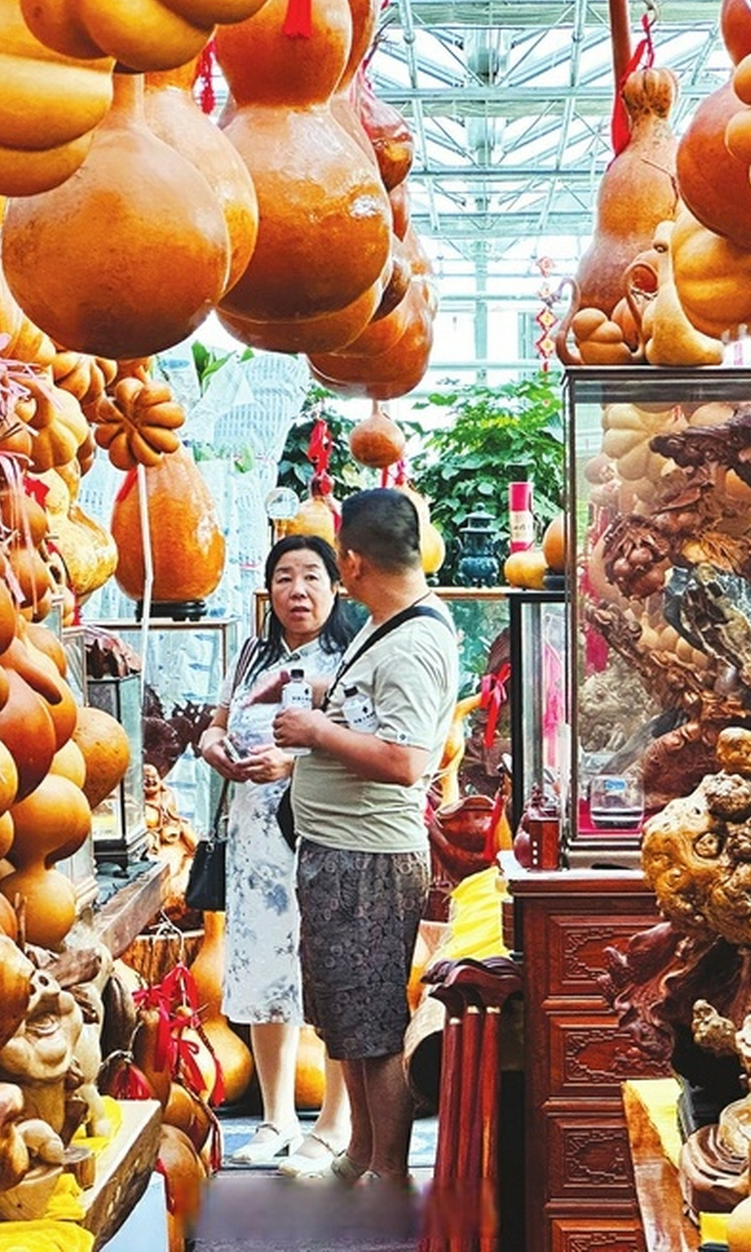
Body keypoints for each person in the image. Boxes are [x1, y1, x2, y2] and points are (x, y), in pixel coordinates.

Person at [271, 488, 460, 1189]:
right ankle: (360, 1157)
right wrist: (319, 694)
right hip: (340, 853)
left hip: (369, 860)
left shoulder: (413, 641)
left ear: (351, 562)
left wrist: (316, 734)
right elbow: (374, 709)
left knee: (374, 1025)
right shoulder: (391, 621)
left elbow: (410, 759)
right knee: (347, 1019)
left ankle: (387, 1176)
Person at [197, 535, 355, 1172]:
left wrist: (292, 762)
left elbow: (360, 741)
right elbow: (219, 718)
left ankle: (337, 1122)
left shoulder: (349, 657)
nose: (298, 591)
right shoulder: (252, 656)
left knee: (327, 971)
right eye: (285, 578)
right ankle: (276, 1117)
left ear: (337, 587)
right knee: (265, 969)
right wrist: (212, 743)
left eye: (312, 577)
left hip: (321, 833)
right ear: (269, 591)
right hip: (256, 840)